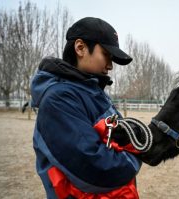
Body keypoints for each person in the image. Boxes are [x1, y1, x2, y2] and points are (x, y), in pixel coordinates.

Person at [31, 17, 141, 199]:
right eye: (106, 54)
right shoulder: (59, 99)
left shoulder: (94, 92)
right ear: (80, 48)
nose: (110, 66)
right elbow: (96, 167)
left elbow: (122, 135)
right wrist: (136, 154)